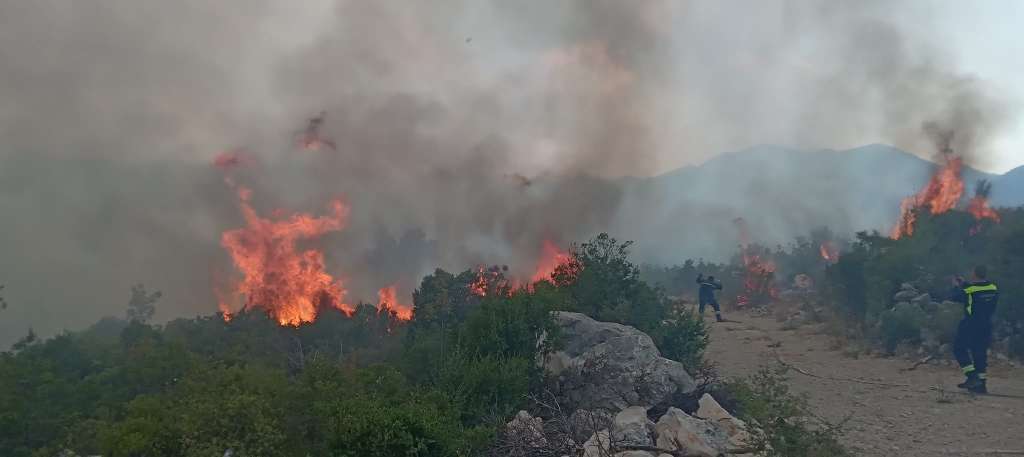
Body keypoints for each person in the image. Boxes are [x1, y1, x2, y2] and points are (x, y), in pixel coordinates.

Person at [949, 265, 999, 394]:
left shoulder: (969, 290)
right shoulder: (993, 287)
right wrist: (964, 283)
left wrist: (955, 285)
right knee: (979, 353)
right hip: (986, 324)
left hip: (970, 324)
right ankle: (981, 385)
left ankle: (972, 377)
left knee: (959, 349)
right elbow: (977, 290)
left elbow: (955, 297)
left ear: (975, 274)